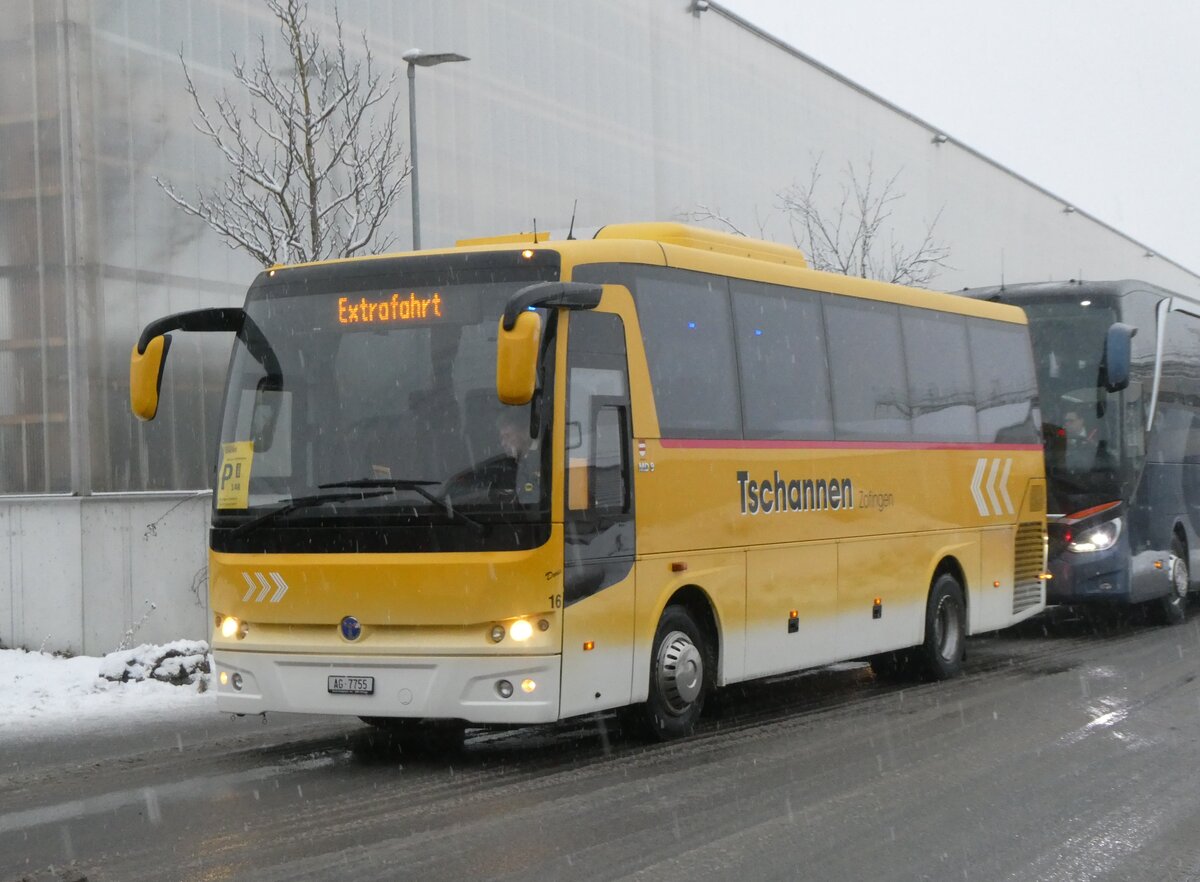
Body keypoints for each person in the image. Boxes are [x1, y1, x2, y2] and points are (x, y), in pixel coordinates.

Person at [496, 409, 541, 503]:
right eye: (502, 438)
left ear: (524, 433)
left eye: (507, 436)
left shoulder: (543, 457)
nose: (503, 443)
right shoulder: (509, 465)